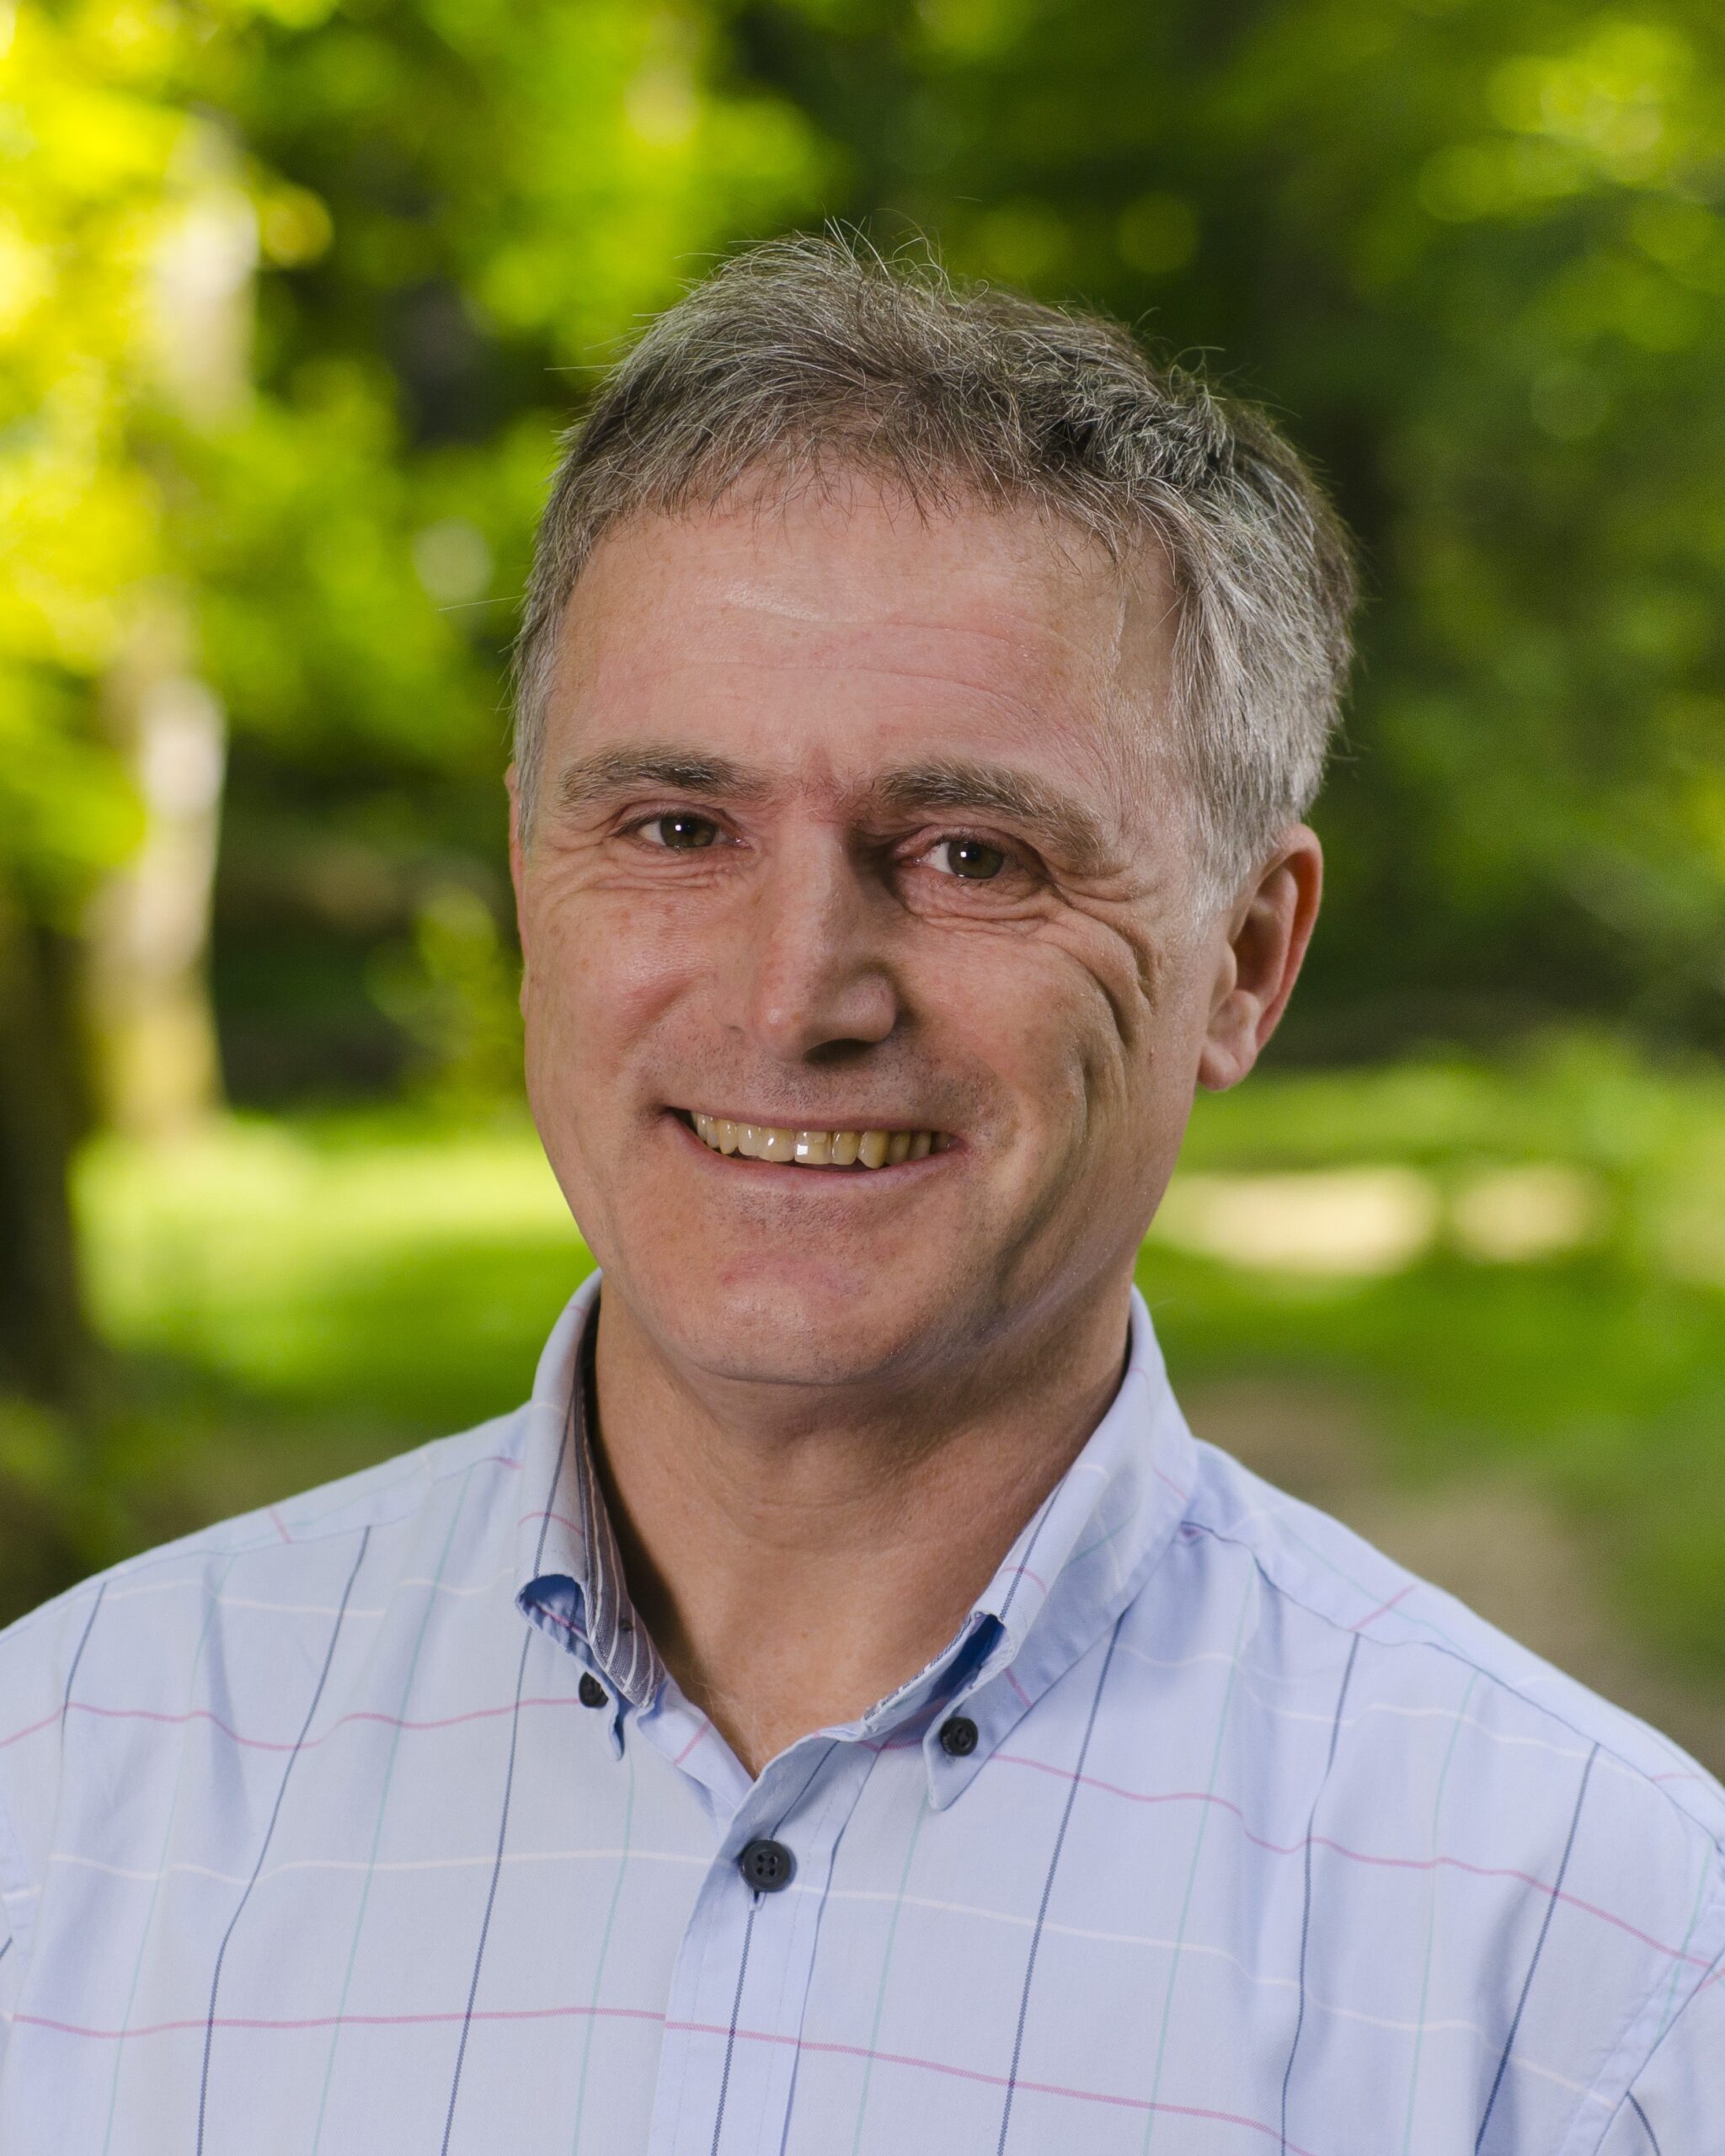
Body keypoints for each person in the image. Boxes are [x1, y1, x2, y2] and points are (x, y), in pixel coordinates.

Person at [1, 240, 1718, 2156]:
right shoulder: (67, 1775)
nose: (791, 991)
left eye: (970, 851)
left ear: (1245, 955)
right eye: (673, 829)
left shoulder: (1590, 1961)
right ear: (524, 866)